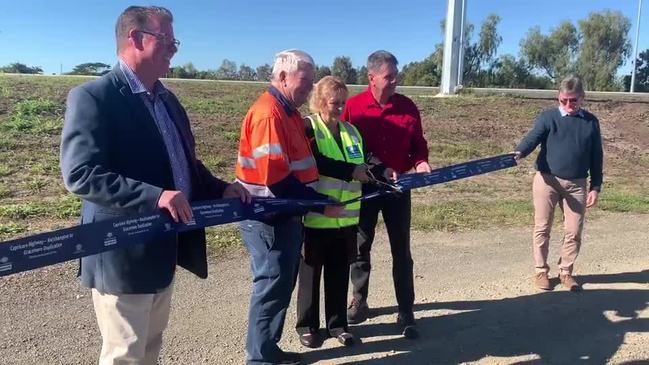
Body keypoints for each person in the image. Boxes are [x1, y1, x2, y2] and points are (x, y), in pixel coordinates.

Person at [60, 6, 249, 364]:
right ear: (135, 38)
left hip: (164, 246)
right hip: (122, 251)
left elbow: (185, 165)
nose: (174, 49)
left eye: (174, 41)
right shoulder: (94, 97)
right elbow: (81, 173)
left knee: (150, 346)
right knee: (125, 354)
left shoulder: (166, 99)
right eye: (167, 40)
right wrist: (156, 196)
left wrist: (220, 187)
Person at [235, 50, 342, 365]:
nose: (309, 88)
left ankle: (268, 349)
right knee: (271, 287)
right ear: (282, 77)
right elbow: (276, 181)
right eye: (304, 81)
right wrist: (321, 205)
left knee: (280, 285)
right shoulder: (270, 114)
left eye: (311, 81)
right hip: (269, 217)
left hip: (287, 214)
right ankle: (259, 359)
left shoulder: (290, 112)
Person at [295, 76, 395, 348]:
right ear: (319, 102)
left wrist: (381, 168)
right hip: (317, 216)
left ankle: (338, 325)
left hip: (346, 217)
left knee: (339, 274)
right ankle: (307, 326)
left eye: (342, 103)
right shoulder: (307, 127)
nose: (339, 108)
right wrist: (351, 171)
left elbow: (365, 157)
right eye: (333, 103)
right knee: (310, 275)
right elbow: (316, 161)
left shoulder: (351, 131)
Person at [342, 50, 431, 339]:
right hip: (364, 188)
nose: (395, 81)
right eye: (388, 76)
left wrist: (421, 161)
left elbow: (418, 143)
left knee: (401, 250)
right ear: (371, 78)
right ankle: (359, 299)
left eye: (396, 75)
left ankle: (406, 309)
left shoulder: (407, 107)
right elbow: (345, 147)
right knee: (360, 247)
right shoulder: (353, 108)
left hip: (398, 189)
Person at [514, 75, 603, 292]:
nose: (568, 105)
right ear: (558, 97)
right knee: (542, 227)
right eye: (563, 100)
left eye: (573, 100)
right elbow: (532, 138)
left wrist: (595, 186)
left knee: (574, 231)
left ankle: (566, 272)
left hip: (577, 184)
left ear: (582, 98)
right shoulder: (548, 118)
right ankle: (541, 271)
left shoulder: (591, 122)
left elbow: (596, 156)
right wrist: (519, 152)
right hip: (547, 180)